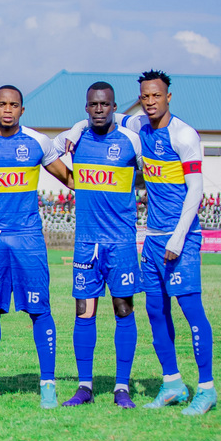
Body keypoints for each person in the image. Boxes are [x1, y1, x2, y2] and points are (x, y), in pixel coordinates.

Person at [0, 85, 74, 409]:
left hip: (27, 236)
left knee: (39, 309)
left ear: (22, 110)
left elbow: (68, 178)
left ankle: (48, 384)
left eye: (14, 105)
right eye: (2, 104)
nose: (8, 109)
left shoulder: (38, 142)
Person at [126, 71, 216, 416]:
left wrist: (178, 237)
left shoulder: (184, 135)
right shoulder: (137, 125)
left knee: (191, 312)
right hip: (152, 239)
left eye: (156, 96)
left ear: (168, 97)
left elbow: (196, 189)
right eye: (145, 96)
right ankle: (173, 384)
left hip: (181, 239)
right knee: (155, 311)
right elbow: (103, 117)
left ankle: (206, 389)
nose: (150, 102)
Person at [50, 82, 143, 409]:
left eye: (105, 104)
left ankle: (122, 387)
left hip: (120, 243)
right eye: (93, 104)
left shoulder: (131, 140)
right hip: (86, 243)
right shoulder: (75, 138)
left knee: (123, 309)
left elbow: (148, 174)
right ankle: (85, 386)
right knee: (83, 312)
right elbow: (43, 151)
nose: (99, 109)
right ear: (86, 108)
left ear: (114, 107)